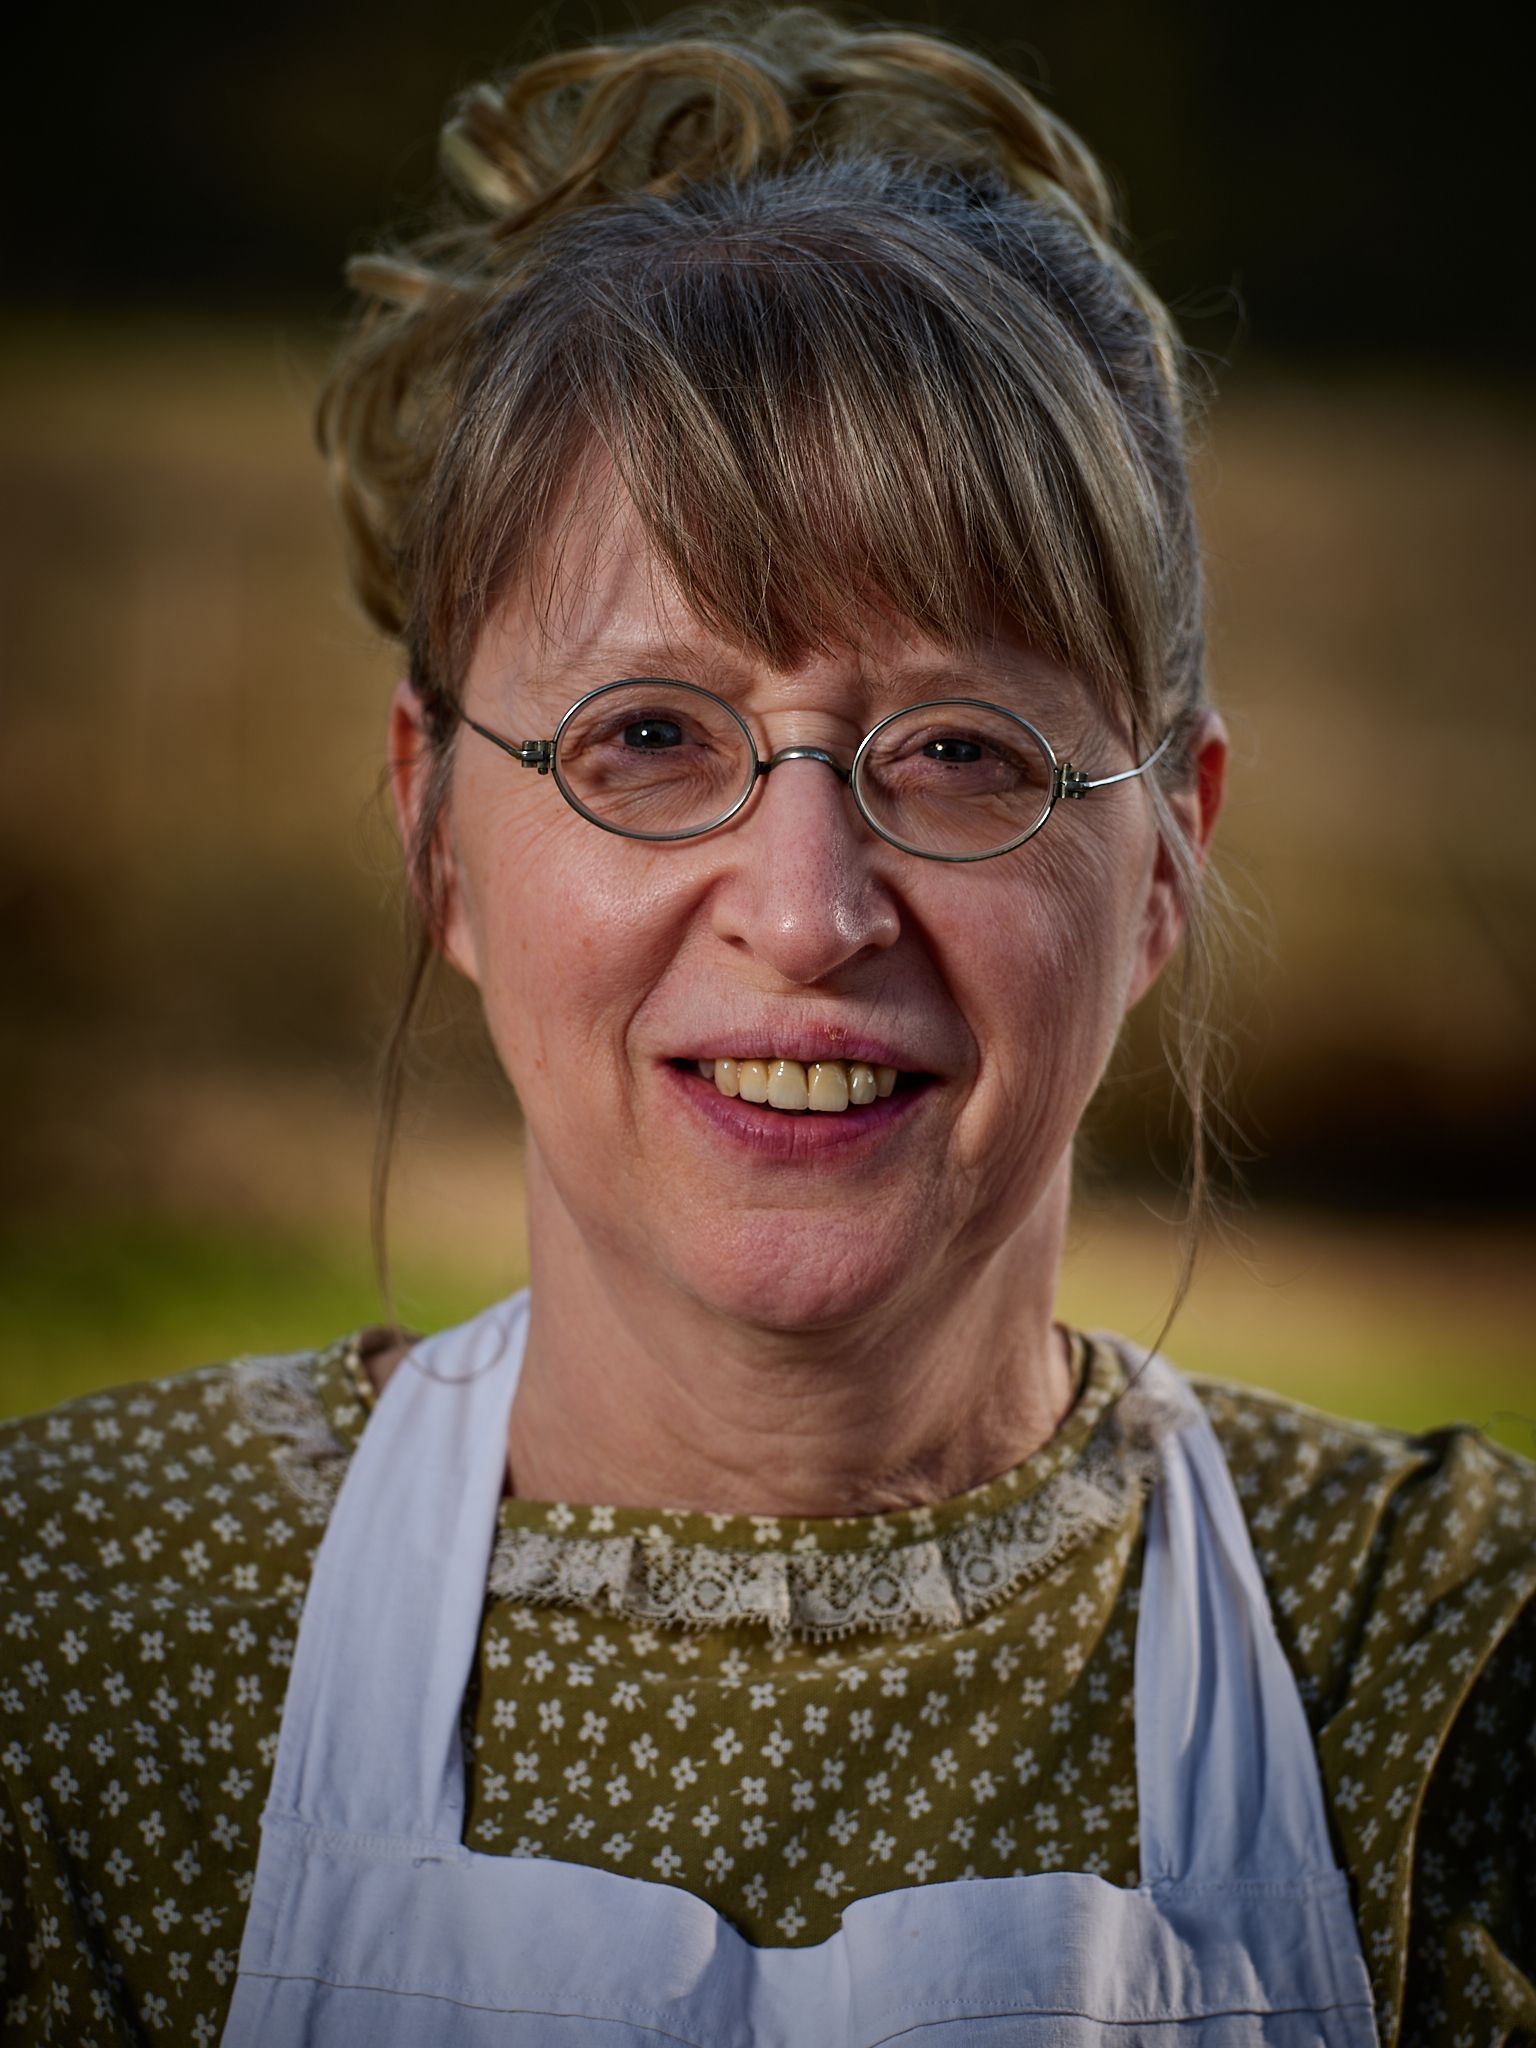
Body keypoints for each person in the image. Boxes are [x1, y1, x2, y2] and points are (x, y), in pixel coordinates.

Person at [2, 9, 1533, 2044]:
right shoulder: (83, 1629)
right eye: (649, 736)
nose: (808, 910)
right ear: (437, 828)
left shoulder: (1450, 1671)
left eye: (964, 752)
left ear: (1169, 850)